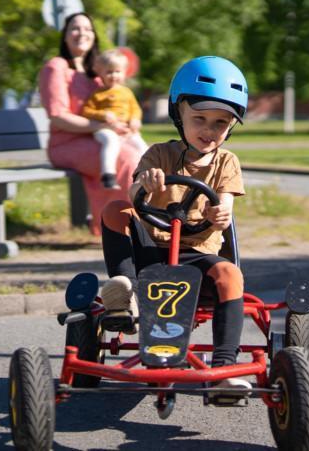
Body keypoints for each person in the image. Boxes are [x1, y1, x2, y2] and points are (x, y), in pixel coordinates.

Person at [98, 56, 251, 391]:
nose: (209, 131)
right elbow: (133, 189)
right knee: (115, 209)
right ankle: (126, 293)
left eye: (220, 123)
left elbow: (225, 201)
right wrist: (146, 185)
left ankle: (224, 367)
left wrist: (221, 212)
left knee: (231, 274)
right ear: (178, 113)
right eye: (200, 119)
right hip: (152, 252)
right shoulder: (159, 154)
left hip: (198, 254)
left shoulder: (227, 162)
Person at [38, 13, 143, 235]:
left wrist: (126, 125)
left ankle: (149, 221)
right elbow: (57, 116)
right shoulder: (56, 68)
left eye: (88, 29)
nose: (82, 33)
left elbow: (117, 108)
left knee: (145, 155)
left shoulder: (97, 73)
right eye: (75, 28)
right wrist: (101, 127)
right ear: (65, 36)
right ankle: (120, 229)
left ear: (94, 35)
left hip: (99, 140)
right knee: (126, 159)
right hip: (66, 143)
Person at [80, 49, 148, 189]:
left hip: (125, 129)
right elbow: (86, 110)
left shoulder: (126, 92)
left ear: (124, 72)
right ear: (101, 74)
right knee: (111, 142)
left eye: (117, 71)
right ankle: (108, 175)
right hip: (105, 128)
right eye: (109, 72)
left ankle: (147, 173)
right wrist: (103, 114)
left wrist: (135, 120)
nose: (113, 75)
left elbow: (135, 109)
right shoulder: (98, 94)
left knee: (141, 145)